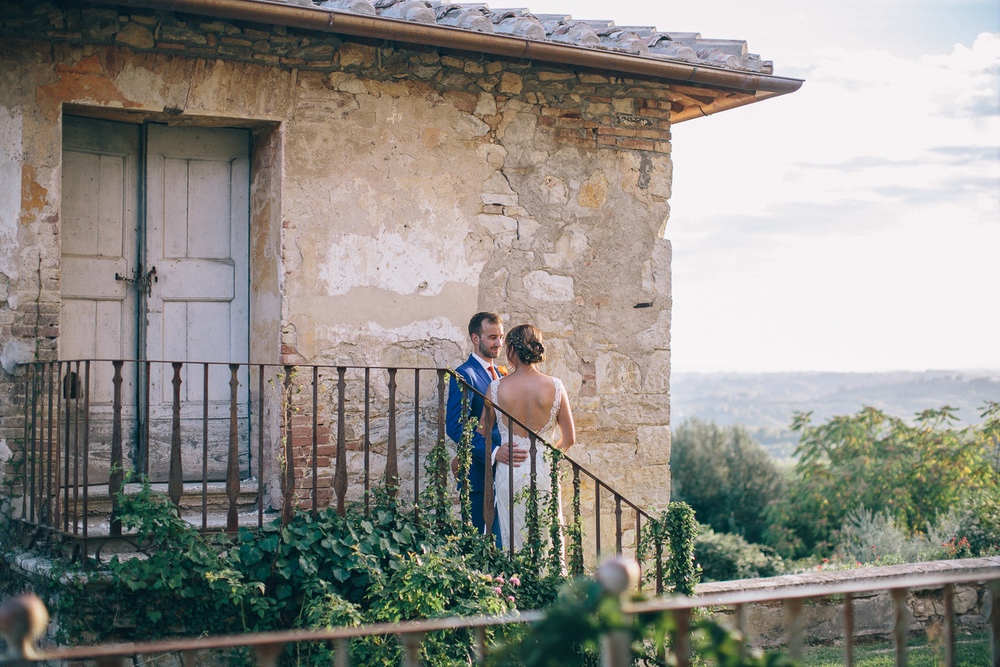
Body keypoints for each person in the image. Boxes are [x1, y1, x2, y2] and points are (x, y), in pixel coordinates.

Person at [482, 324, 575, 551]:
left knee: (511, 531)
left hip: (509, 468)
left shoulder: (495, 388)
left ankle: (513, 581)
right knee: (545, 532)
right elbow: (569, 438)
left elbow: (482, 434)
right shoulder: (555, 386)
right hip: (543, 470)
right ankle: (547, 580)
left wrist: (497, 450)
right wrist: (548, 456)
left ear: (512, 351)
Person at [445, 312, 510, 542]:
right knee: (478, 542)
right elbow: (454, 427)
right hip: (478, 473)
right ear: (475, 338)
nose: (498, 343)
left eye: (501, 337)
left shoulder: (503, 375)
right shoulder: (464, 374)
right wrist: (493, 452)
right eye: (492, 337)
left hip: (505, 473)